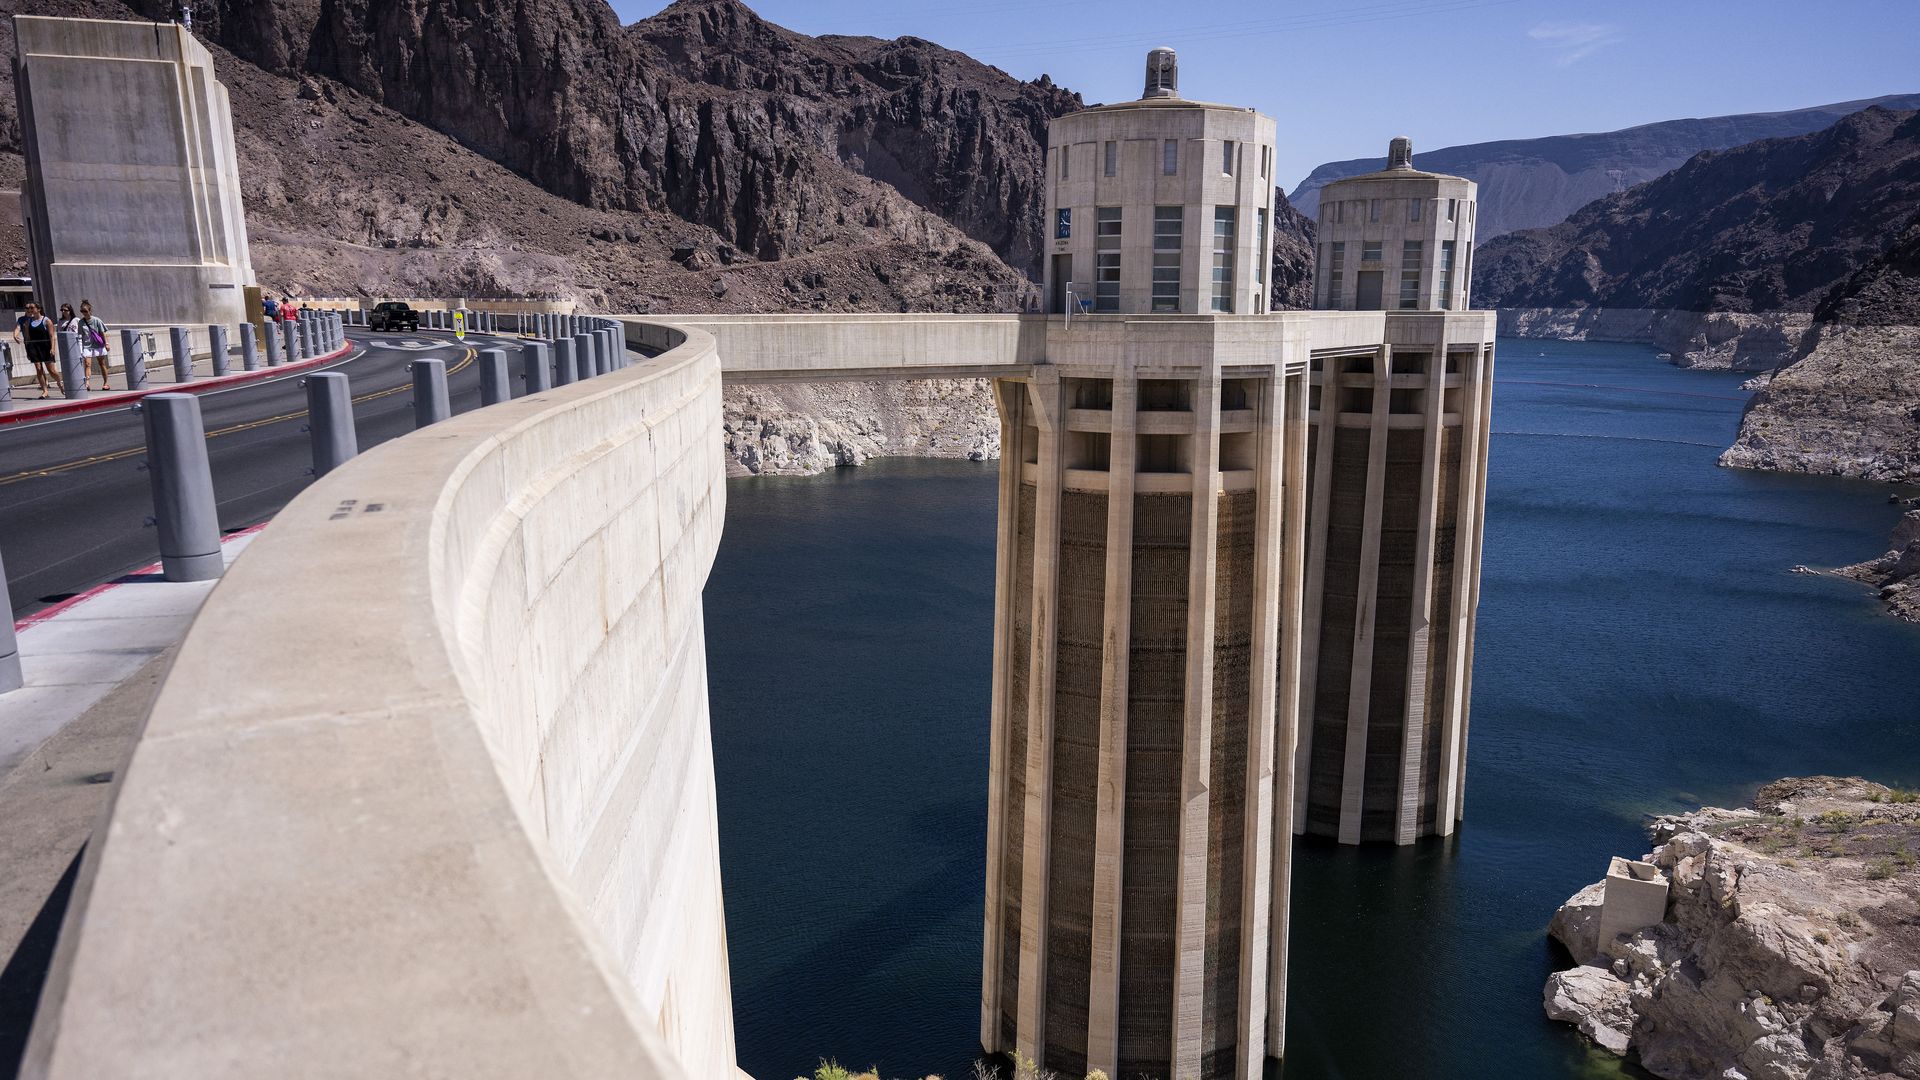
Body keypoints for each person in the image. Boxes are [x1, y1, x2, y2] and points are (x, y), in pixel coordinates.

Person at [12, 302, 58, 397]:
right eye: (27, 307)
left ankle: (57, 383)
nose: (29, 309)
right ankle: (44, 389)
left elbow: (52, 335)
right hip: (31, 346)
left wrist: (52, 347)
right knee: (38, 367)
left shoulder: (42, 319)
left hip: (44, 346)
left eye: (31, 307)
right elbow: (17, 328)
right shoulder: (23, 319)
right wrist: (15, 335)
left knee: (50, 370)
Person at [76, 300, 110, 390]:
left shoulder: (96, 320)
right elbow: (80, 335)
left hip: (98, 344)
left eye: (85, 311)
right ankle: (87, 383)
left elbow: (103, 333)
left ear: (90, 311)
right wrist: (80, 348)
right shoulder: (81, 322)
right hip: (87, 345)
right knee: (87, 364)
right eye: (82, 311)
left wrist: (106, 343)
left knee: (102, 363)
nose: (84, 313)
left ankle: (106, 383)